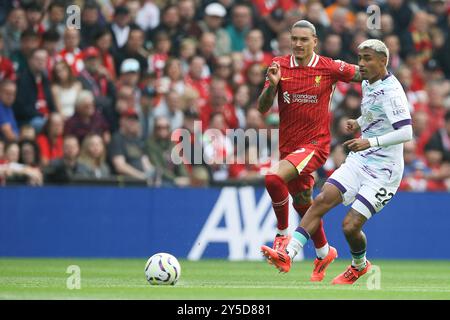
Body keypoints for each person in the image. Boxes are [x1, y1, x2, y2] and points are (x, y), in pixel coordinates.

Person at [262, 39, 413, 285]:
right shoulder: (368, 83)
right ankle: (287, 254)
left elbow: (406, 132)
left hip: (385, 171)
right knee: (321, 200)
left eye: (368, 59)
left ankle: (359, 265)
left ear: (383, 61)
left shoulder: (393, 92)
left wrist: (370, 141)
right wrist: (360, 123)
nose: (361, 64)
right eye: (360, 58)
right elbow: (374, 112)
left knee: (349, 226)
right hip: (361, 159)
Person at [257, 20, 361, 282]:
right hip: (289, 149)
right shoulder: (278, 65)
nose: (298, 44)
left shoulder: (328, 67)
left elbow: (363, 73)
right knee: (304, 205)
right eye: (294, 39)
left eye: (304, 39)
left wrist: (384, 75)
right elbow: (262, 107)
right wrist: (272, 85)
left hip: (316, 145)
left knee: (272, 178)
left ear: (315, 41)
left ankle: (282, 237)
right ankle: (324, 252)